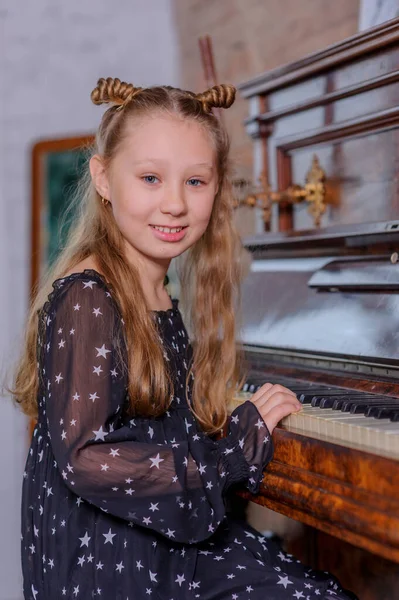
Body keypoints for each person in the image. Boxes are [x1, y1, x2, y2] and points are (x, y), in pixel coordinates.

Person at [11, 77, 358, 599]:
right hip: (111, 562)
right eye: (150, 177)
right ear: (103, 178)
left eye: (195, 182)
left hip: (157, 538)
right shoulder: (89, 297)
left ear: (217, 186)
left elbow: (157, 424)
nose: (174, 203)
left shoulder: (154, 286)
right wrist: (233, 452)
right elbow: (86, 456)